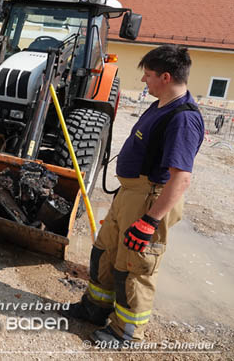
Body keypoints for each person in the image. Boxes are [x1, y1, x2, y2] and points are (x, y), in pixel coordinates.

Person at [63, 45, 205, 345]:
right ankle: (95, 308)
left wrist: (149, 222)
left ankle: (125, 332)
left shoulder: (183, 119)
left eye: (149, 75)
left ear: (166, 77)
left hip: (149, 199)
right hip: (130, 194)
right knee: (106, 251)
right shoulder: (161, 104)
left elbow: (181, 179)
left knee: (135, 266)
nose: (144, 80)